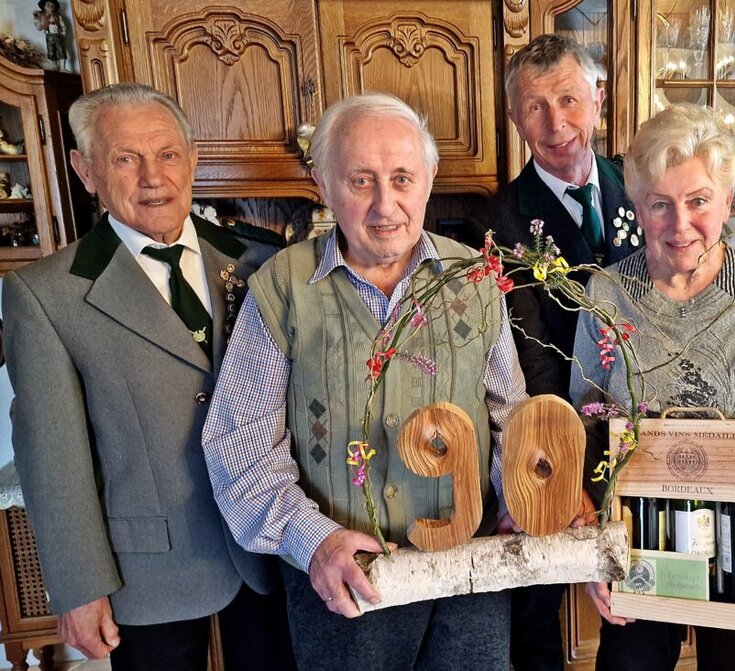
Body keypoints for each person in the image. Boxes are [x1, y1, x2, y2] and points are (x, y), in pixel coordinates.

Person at [202, 91, 528, 671]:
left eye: (402, 178)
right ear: (324, 187)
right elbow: (239, 444)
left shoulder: (477, 278)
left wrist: (519, 491)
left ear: (428, 179)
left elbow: (509, 412)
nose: (386, 205)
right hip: (347, 579)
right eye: (360, 181)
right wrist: (316, 543)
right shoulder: (282, 288)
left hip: (469, 573)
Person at [2, 82, 294, 671]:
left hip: (269, 546)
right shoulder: (46, 295)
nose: (152, 177)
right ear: (87, 172)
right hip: (148, 569)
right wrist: (80, 587)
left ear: (191, 159)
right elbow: (53, 459)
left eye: (166, 154)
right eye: (125, 159)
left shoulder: (260, 260)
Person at [571, 104, 735, 671]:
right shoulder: (605, 295)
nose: (679, 223)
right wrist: (593, 548)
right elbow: (583, 431)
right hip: (639, 550)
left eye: (698, 201)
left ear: (727, 200)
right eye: (659, 204)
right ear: (636, 206)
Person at [486, 33, 640, 670]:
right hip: (556, 430)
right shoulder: (503, 220)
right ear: (517, 118)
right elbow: (529, 353)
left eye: (570, 100)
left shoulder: (642, 182)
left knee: (637, 602)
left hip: (644, 428)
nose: (556, 124)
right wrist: (562, 461)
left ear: (598, 99)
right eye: (535, 108)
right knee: (536, 606)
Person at [33, 0, 67, 70]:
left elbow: (63, 25)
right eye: (48, 5)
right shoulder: (43, 17)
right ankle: (54, 66)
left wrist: (63, 34)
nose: (50, 6)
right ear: (44, 7)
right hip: (49, 36)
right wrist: (36, 19)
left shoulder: (58, 16)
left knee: (61, 50)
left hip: (58, 36)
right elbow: (39, 27)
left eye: (52, 5)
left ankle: (62, 67)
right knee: (51, 52)